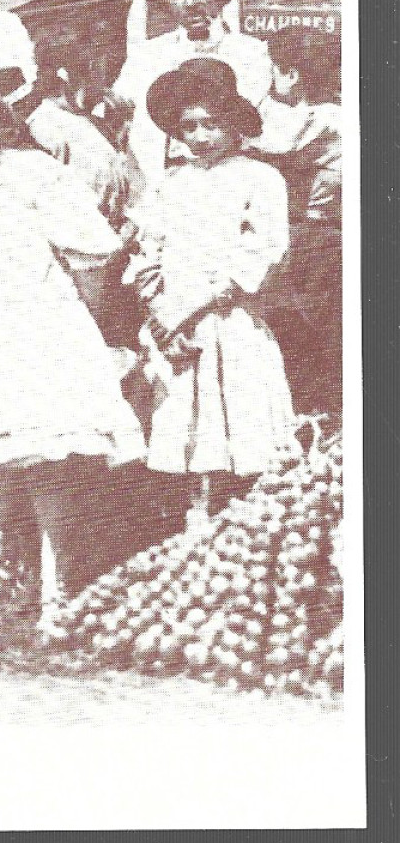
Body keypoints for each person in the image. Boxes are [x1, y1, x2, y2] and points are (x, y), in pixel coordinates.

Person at [0, 89, 145, 638]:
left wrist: (91, 333)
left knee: (49, 459)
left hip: (41, 331)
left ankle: (59, 592)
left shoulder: (39, 175)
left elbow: (96, 250)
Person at [124, 58, 296, 515]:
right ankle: (193, 526)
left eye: (211, 124)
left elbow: (260, 252)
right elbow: (149, 253)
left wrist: (191, 310)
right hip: (174, 327)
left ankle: (246, 525)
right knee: (187, 429)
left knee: (236, 424)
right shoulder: (171, 183)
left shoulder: (259, 178)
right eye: (189, 127)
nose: (200, 137)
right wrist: (160, 315)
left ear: (234, 123)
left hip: (225, 319)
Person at [112, 0, 271, 205]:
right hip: (157, 187)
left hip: (228, 186)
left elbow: (253, 125)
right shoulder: (148, 56)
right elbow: (120, 115)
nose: (190, 3)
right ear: (166, 2)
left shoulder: (251, 54)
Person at [249, 27, 342, 414]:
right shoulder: (315, 112)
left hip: (312, 234)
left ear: (291, 74)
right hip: (306, 232)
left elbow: (270, 145)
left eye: (274, 70)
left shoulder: (322, 118)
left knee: (303, 321)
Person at [25, 36, 131, 225]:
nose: (104, 81)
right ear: (68, 75)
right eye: (98, 71)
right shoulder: (44, 127)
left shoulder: (95, 121)